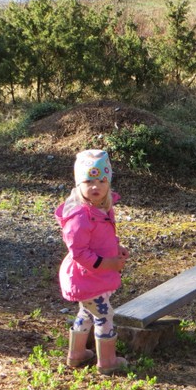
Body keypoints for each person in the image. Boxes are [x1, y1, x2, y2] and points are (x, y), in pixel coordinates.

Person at [56, 149, 129, 375]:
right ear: (79, 184)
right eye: (88, 181)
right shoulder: (80, 216)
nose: (95, 186)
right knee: (104, 315)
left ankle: (76, 354)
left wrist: (116, 248)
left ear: (108, 183)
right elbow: (79, 253)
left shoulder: (102, 208)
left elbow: (102, 238)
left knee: (87, 313)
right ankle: (107, 362)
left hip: (94, 275)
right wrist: (109, 264)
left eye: (101, 181)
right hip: (86, 276)